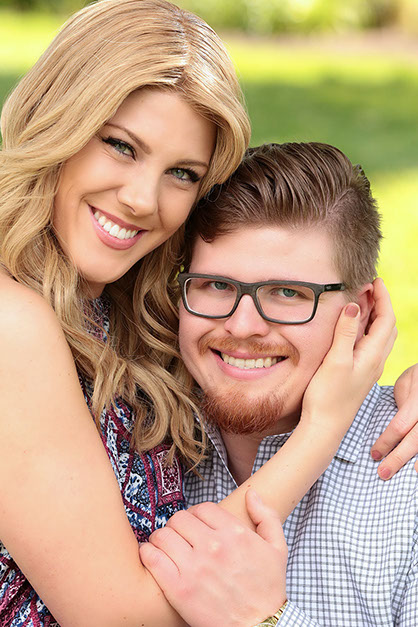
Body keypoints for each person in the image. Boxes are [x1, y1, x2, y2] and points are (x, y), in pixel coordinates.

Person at [0, 0, 416, 624]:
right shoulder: (12, 322)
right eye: (120, 145)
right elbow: (122, 617)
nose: (142, 199)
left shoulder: (123, 322)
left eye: (183, 173)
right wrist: (324, 428)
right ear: (56, 119)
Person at [146, 142, 417, 625]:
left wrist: (266, 619)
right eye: (216, 285)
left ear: (364, 311)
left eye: (288, 293)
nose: (242, 326)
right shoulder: (127, 445)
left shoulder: (408, 486)